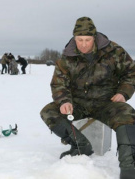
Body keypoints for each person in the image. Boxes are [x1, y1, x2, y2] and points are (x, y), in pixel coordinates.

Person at [40, 17, 135, 179]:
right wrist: (64, 101)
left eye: (87, 40)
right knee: (49, 111)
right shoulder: (66, 57)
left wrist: (123, 92)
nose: (83, 44)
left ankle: (128, 166)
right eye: (80, 40)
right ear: (74, 38)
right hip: (78, 104)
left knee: (127, 114)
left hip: (107, 103)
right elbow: (58, 84)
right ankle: (81, 145)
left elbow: (130, 73)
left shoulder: (113, 51)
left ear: (95, 37)